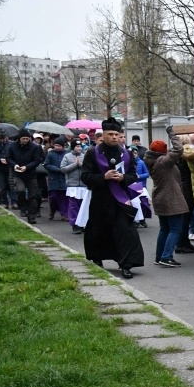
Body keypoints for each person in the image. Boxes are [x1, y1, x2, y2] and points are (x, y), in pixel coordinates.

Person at [80, 118, 145, 279]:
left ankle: (126, 264)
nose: (114, 137)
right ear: (104, 135)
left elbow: (133, 175)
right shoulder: (92, 152)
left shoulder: (127, 153)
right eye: (111, 134)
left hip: (120, 200)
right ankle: (97, 259)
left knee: (125, 231)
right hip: (101, 199)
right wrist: (104, 177)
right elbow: (86, 176)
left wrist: (123, 178)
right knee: (99, 231)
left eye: (117, 134)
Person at [144, 131, 188, 268]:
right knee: (175, 229)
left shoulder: (152, 161)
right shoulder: (163, 161)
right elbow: (179, 150)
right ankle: (166, 256)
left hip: (160, 197)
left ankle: (159, 256)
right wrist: (172, 135)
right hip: (170, 198)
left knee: (165, 229)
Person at [5, 129, 44, 224]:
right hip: (17, 173)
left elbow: (37, 160)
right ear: (19, 138)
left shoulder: (34, 147)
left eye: (27, 138)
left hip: (30, 174)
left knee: (33, 195)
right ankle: (23, 207)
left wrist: (27, 167)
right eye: (23, 139)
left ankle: (31, 216)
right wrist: (15, 165)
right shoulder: (12, 146)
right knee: (20, 190)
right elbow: (8, 157)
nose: (25, 140)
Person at [61, 140, 87, 234]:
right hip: (72, 185)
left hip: (84, 185)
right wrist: (75, 165)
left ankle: (82, 224)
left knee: (83, 206)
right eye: (77, 146)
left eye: (80, 146)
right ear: (73, 147)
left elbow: (89, 169)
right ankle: (74, 224)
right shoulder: (67, 156)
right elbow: (63, 169)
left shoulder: (84, 156)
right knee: (73, 206)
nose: (79, 148)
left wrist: (81, 165)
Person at [43, 137, 69, 221]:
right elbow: (46, 165)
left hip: (64, 178)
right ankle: (52, 211)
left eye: (59, 146)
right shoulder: (50, 154)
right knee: (53, 197)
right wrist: (56, 169)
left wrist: (65, 169)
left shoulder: (67, 154)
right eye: (56, 145)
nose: (57, 147)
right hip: (53, 178)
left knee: (64, 198)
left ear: (63, 146)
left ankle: (64, 214)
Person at [0, 128, 17, 209]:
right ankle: (4, 202)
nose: (2, 140)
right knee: (2, 186)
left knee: (11, 185)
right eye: (0, 138)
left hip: (9, 167)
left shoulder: (11, 144)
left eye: (4, 138)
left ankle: (14, 202)